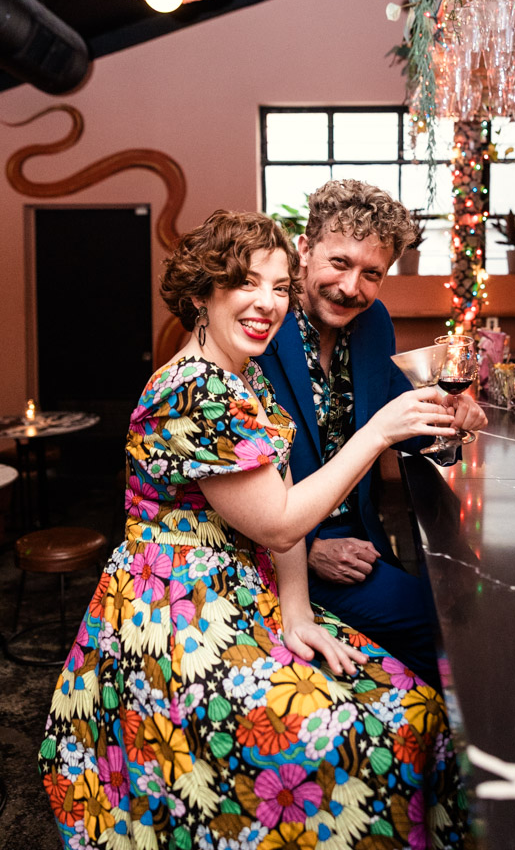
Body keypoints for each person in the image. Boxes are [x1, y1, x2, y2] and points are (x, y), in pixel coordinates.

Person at [39, 209, 468, 850]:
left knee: (418, 709)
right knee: (364, 743)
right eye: (245, 283)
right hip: (175, 619)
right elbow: (280, 522)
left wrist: (297, 615)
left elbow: (284, 503)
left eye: (277, 286)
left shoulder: (244, 378)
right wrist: (377, 431)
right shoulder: (190, 390)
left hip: (247, 596)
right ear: (200, 295)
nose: (267, 303)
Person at [256, 180, 487, 690]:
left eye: (372, 274)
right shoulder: (258, 326)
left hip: (361, 541)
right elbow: (230, 465)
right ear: (303, 250)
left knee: (463, 618)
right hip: (277, 554)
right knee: (457, 636)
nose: (351, 288)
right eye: (338, 262)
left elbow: (392, 427)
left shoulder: (373, 321)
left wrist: (447, 416)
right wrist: (309, 545)